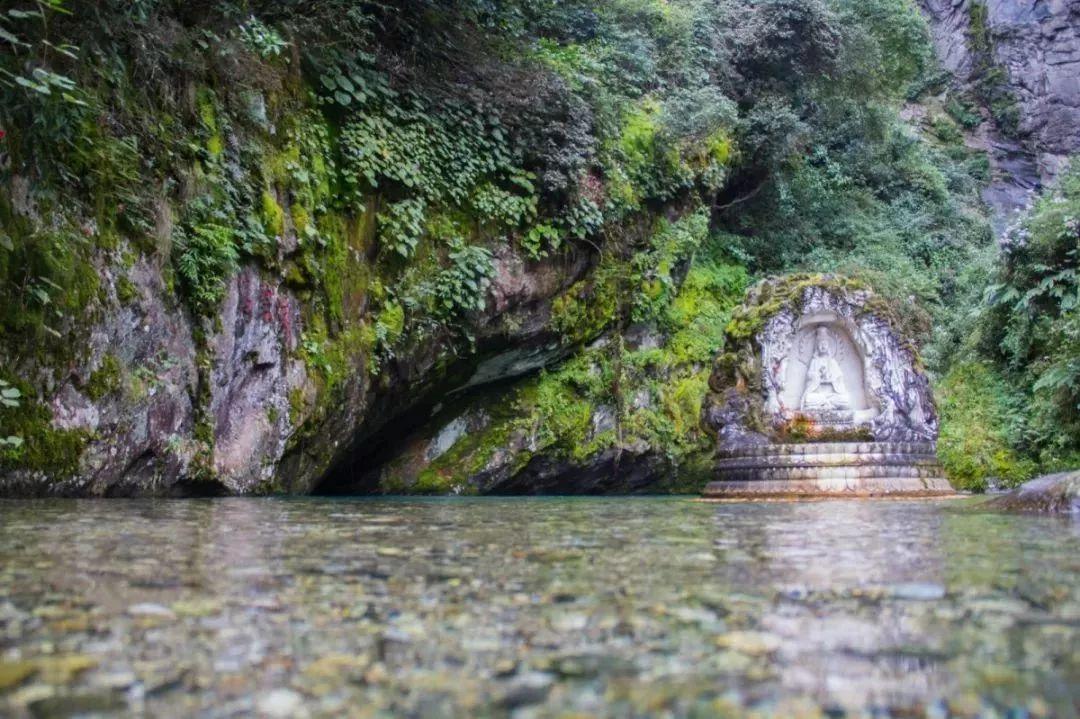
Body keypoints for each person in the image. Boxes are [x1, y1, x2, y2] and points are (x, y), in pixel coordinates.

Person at [801, 326, 851, 411]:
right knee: (809, 399)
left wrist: (831, 377)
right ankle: (826, 404)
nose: (823, 347)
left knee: (845, 399)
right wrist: (818, 377)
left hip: (832, 395)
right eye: (820, 344)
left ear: (828, 346)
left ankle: (825, 404)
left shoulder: (832, 361)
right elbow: (809, 376)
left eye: (825, 344)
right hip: (818, 395)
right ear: (817, 346)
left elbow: (839, 377)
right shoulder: (814, 361)